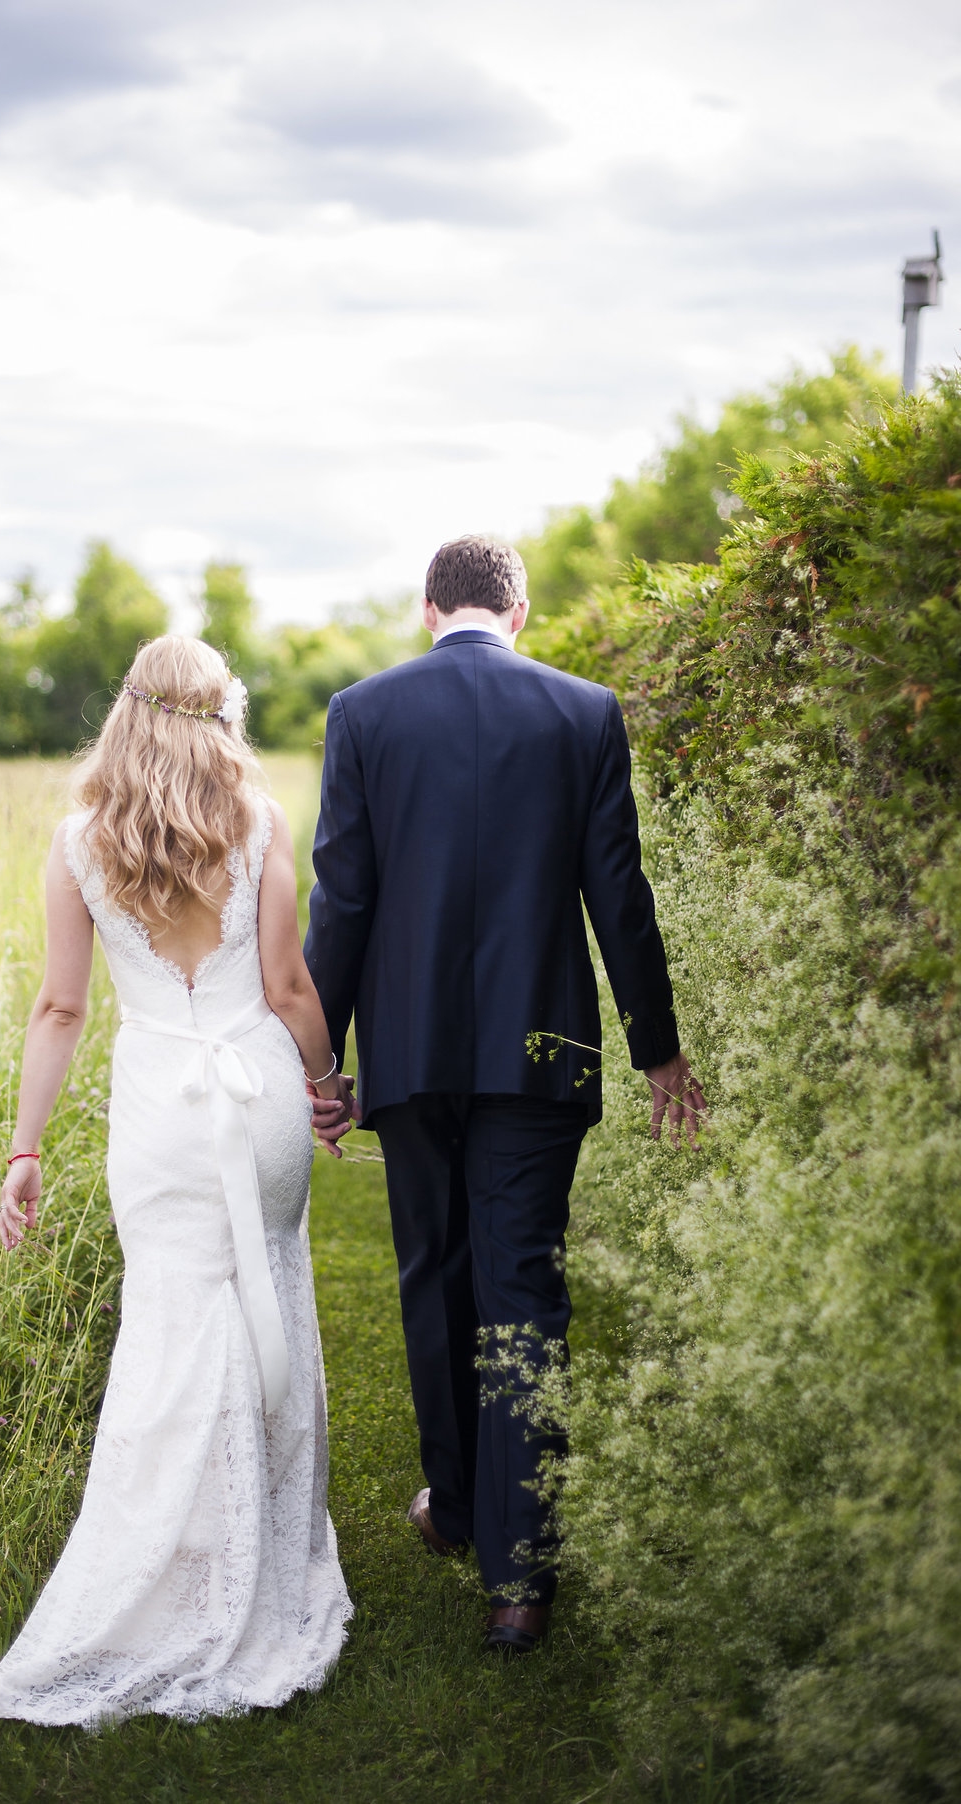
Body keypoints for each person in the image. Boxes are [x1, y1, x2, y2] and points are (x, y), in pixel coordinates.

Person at [303, 535, 705, 1655]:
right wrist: (655, 1047)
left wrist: (319, 1061)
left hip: (415, 1048)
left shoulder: (363, 712)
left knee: (435, 1271)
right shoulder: (584, 710)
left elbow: (343, 897)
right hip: (544, 1046)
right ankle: (520, 1579)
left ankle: (462, 1504)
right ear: (518, 611)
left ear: (427, 607)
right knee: (523, 1283)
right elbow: (618, 891)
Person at [0, 635, 353, 1726]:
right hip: (257, 1094)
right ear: (219, 712)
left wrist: (25, 1149)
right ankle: (261, 1556)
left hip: (157, 1115)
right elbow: (286, 983)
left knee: (171, 1329)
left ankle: (171, 1565)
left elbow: (60, 1009)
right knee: (263, 1293)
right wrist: (327, 1084)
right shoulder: (261, 822)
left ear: (127, 712)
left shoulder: (77, 840)